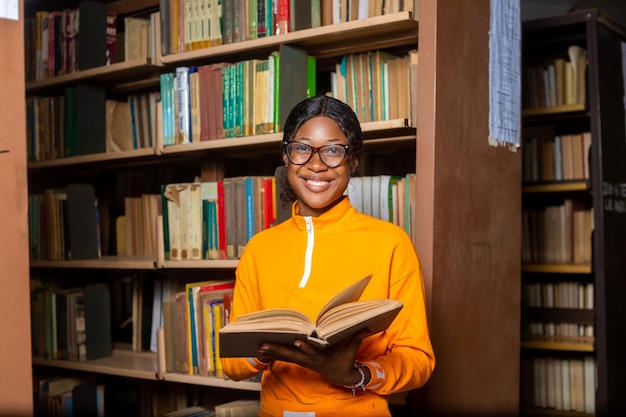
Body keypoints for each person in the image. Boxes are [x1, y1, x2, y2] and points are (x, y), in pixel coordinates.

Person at [221, 95, 435, 417]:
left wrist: (356, 375)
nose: (316, 164)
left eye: (333, 150)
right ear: (286, 155)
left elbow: (419, 361)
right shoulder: (259, 248)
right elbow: (232, 365)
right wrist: (265, 352)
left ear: (354, 161)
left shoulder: (391, 242)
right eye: (302, 148)